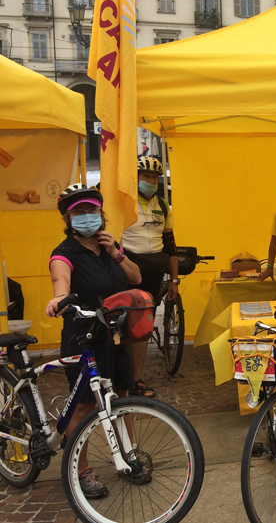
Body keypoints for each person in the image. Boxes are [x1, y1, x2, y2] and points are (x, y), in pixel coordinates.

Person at [45, 184, 143, 499]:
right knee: (86, 405)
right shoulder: (64, 253)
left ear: (101, 213)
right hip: (83, 337)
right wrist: (59, 299)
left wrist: (116, 253)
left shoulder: (109, 246)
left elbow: (136, 278)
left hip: (115, 334)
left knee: (122, 395)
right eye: (80, 212)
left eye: (92, 210)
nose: (88, 216)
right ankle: (81, 469)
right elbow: (61, 281)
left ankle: (127, 454)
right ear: (68, 218)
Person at [120, 157, 176, 398]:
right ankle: (120, 377)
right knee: (123, 325)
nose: (151, 181)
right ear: (136, 178)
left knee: (143, 326)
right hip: (128, 267)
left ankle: (135, 379)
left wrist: (174, 280)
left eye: (154, 177)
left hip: (154, 269)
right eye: (146, 176)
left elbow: (170, 244)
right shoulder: (123, 203)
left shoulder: (163, 205)